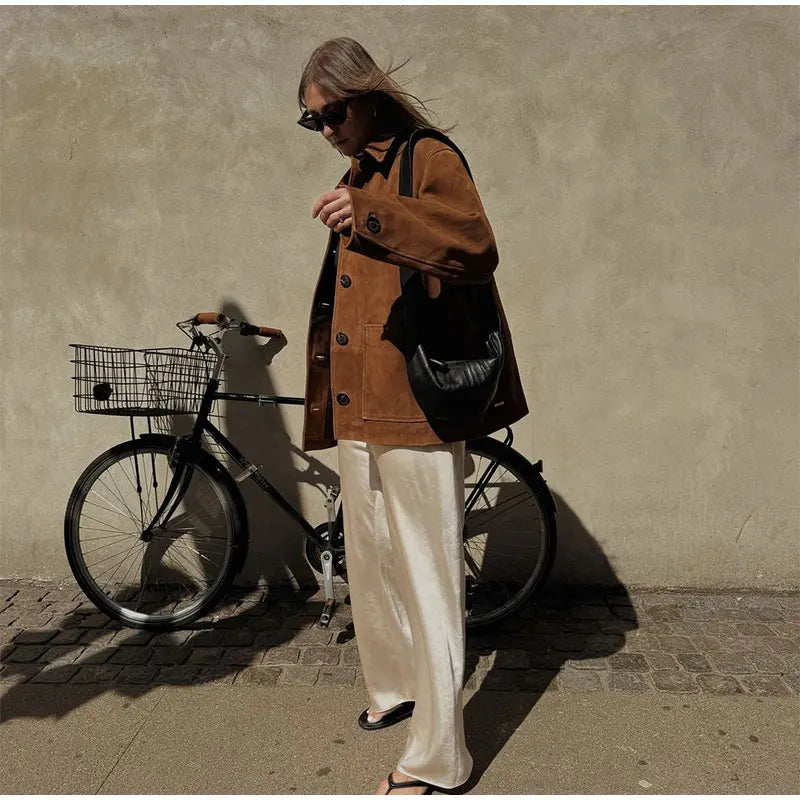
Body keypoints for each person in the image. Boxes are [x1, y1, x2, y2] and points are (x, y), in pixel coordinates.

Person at [297, 38, 529, 795]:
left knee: (429, 573)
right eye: (310, 121)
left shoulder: (427, 157)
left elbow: (474, 245)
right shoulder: (359, 169)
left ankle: (442, 756)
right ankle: (395, 687)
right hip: (361, 404)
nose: (325, 130)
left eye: (331, 113)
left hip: (418, 407)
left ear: (366, 97)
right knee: (372, 558)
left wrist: (371, 214)